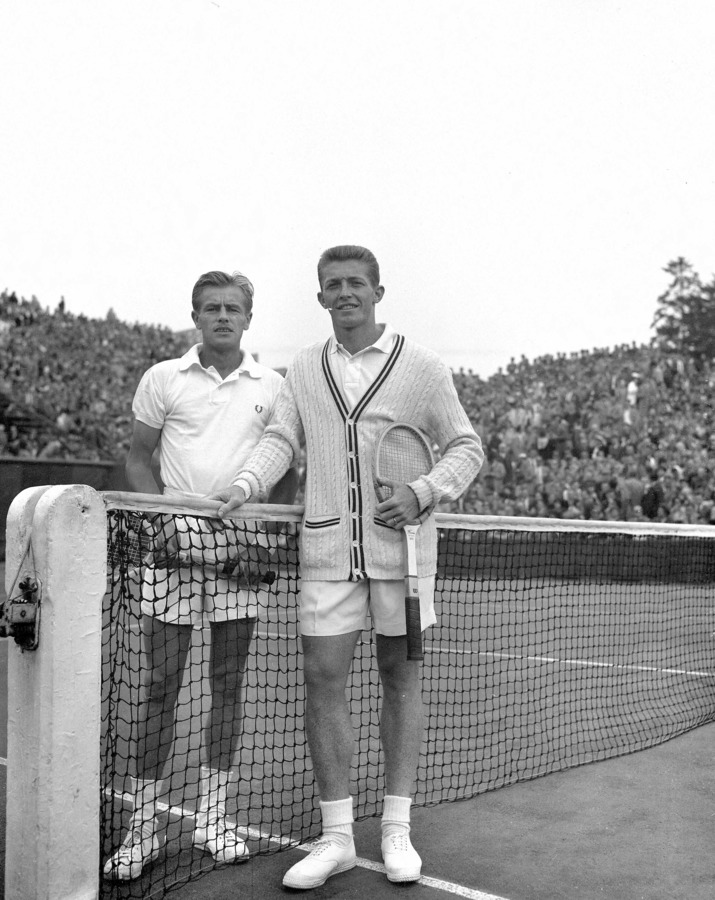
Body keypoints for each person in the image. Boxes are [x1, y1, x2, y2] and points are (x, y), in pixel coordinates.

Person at [210, 246, 483, 889]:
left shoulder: (422, 367)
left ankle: (395, 829)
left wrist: (422, 491)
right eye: (332, 285)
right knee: (323, 680)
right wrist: (246, 484)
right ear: (321, 297)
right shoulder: (304, 368)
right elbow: (281, 438)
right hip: (329, 552)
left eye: (355, 283)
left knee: (401, 682)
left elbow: (466, 447)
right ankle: (335, 836)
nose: (344, 293)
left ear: (378, 291)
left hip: (404, 559)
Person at [103, 270, 298, 881]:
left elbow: (286, 463)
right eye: (211, 307)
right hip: (172, 551)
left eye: (232, 307)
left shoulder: (274, 384)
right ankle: (145, 827)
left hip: (240, 553)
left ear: (247, 316)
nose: (222, 316)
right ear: (195, 316)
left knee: (228, 685)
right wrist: (161, 523)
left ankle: (214, 817)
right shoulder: (163, 378)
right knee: (161, 685)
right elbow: (139, 457)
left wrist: (269, 535)